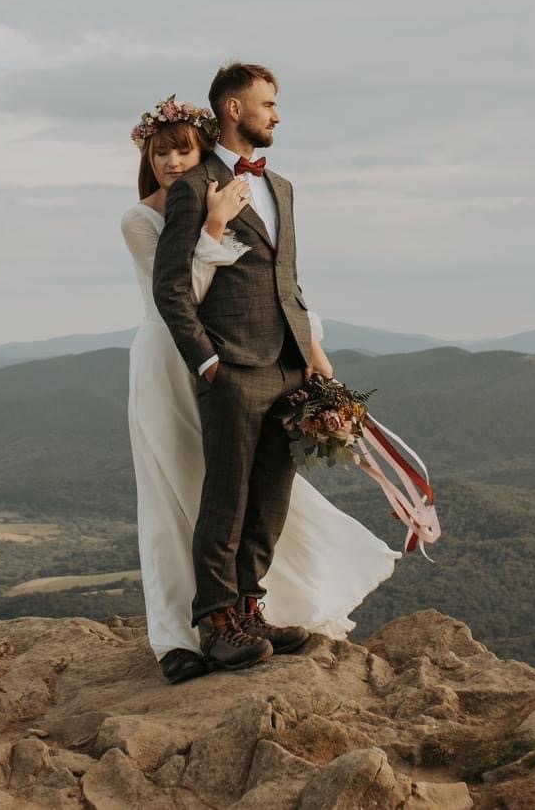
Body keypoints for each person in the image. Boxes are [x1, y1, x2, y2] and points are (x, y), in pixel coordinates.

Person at [119, 63, 394, 681]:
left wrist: (316, 363)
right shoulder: (194, 188)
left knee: (271, 496)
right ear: (235, 109)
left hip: (289, 368)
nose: (277, 114)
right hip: (232, 369)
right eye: (269, 104)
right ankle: (216, 624)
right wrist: (209, 362)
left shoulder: (285, 188)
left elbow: (286, 282)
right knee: (225, 498)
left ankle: (250, 608)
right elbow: (171, 290)